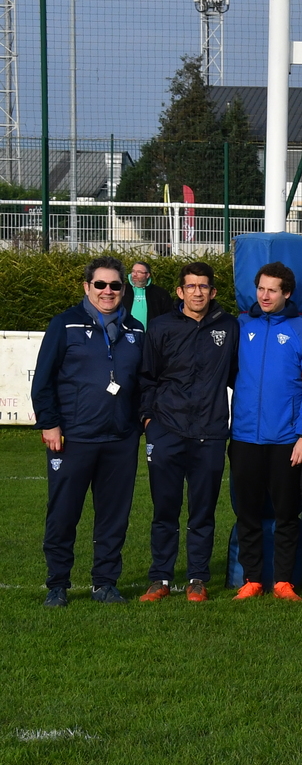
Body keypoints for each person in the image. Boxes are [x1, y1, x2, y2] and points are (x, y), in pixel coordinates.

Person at [34, 256, 146, 606]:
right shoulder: (64, 324)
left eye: (115, 285)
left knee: (114, 518)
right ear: (87, 287)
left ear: (123, 289)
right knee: (64, 514)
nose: (108, 291)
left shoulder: (136, 331)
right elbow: (43, 381)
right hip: (73, 438)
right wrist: (50, 422)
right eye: (100, 284)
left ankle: (105, 582)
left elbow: (142, 383)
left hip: (119, 440)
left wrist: (140, 421)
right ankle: (58, 584)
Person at [137, 260, 237, 602]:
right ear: (180, 291)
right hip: (167, 430)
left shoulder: (230, 327)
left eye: (204, 286)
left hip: (209, 433)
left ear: (213, 291)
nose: (198, 292)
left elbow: (240, 377)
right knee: (165, 510)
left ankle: (197, 578)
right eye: (191, 286)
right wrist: (149, 421)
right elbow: (147, 377)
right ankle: (160, 578)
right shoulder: (161, 327)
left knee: (202, 511)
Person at [230, 261, 302, 602]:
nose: (265, 295)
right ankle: (252, 578)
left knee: (287, 514)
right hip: (243, 437)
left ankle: (285, 580)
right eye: (261, 288)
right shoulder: (241, 325)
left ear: (287, 293)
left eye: (273, 290)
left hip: (287, 440)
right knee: (248, 513)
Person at [122, 260, 173, 327]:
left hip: (151, 335)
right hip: (127, 334)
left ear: (147, 275)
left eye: (139, 272)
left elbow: (168, 316)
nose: (134, 274)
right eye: (133, 271)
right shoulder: (122, 290)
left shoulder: (160, 293)